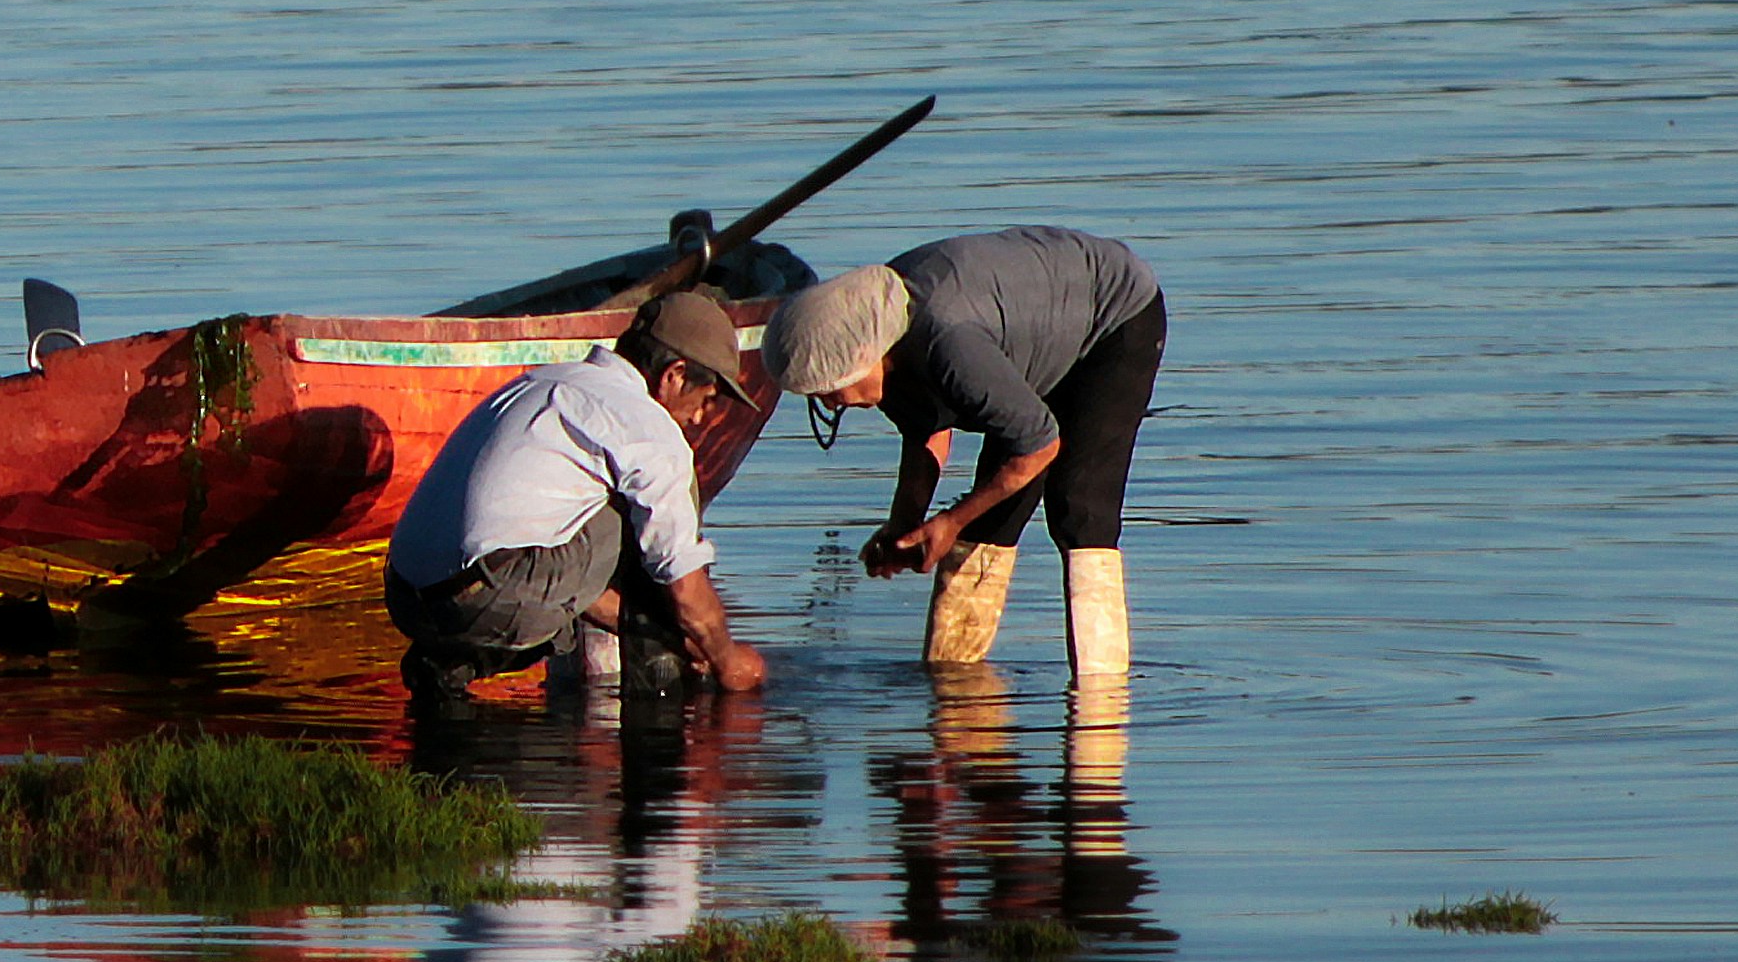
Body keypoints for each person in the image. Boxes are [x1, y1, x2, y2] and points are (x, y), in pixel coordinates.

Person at [765, 226, 1165, 675]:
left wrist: (950, 522)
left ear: (864, 353)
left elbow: (1038, 445)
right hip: (1024, 333)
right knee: (992, 515)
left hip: (1112, 317)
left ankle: (1100, 700)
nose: (828, 403)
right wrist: (905, 526)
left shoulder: (947, 343)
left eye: (830, 390)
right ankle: (955, 687)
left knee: (1079, 506)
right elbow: (924, 429)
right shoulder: (886, 326)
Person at [382, 287, 770, 700]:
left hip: (407, 597)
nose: (699, 417)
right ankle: (660, 711)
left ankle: (447, 665)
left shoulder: (539, 382)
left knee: (576, 528)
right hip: (488, 596)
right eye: (706, 400)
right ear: (674, 375)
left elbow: (571, 587)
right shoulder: (648, 425)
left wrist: (680, 632)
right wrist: (727, 657)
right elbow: (679, 574)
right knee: (637, 525)